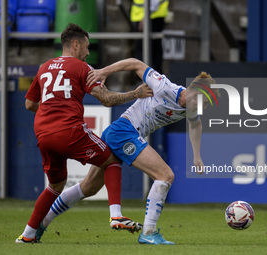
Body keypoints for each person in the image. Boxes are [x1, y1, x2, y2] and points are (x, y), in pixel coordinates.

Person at [36, 57, 219, 245]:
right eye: (202, 102)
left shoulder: (190, 106)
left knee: (88, 187)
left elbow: (196, 125)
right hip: (124, 131)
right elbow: (135, 63)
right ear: (194, 92)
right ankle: (149, 232)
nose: (201, 108)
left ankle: (40, 224)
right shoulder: (165, 87)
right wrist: (104, 71)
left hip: (118, 132)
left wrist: (197, 156)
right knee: (165, 175)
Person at [15, 24, 153, 244]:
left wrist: (52, 109)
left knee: (55, 186)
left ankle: (28, 235)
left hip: (43, 134)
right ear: (76, 44)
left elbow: (30, 103)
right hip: (69, 130)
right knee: (112, 159)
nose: (88, 52)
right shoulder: (82, 67)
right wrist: (135, 93)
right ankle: (116, 215)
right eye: (87, 47)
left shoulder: (44, 67)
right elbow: (107, 100)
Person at [131, 0, 169, 74]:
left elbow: (154, 2)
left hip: (151, 17)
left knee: (146, 49)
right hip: (149, 16)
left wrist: (146, 16)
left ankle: (149, 79)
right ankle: (151, 78)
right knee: (150, 48)